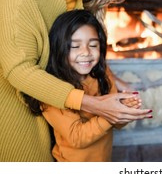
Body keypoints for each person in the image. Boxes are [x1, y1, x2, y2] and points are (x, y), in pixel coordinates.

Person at [0, 0, 152, 162]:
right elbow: (18, 70)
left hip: (54, 90)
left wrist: (111, 77)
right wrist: (94, 105)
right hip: (12, 98)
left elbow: (81, 38)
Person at [25, 9, 144, 161]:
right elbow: (77, 137)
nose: (86, 52)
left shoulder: (102, 76)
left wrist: (126, 110)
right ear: (59, 48)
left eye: (93, 45)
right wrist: (111, 114)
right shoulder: (54, 90)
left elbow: (117, 125)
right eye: (75, 46)